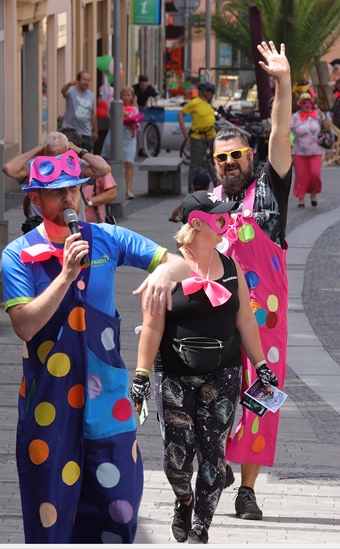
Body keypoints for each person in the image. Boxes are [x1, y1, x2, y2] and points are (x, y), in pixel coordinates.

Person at [1, 151, 191, 543]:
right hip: (49, 402)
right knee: (50, 512)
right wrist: (66, 275)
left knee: (119, 505)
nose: (68, 199)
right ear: (36, 200)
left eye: (73, 189)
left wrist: (163, 275)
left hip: (108, 400)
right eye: (56, 193)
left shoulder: (107, 237)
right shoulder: (18, 254)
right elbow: (24, 325)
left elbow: (178, 263)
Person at [131, 191, 279, 545]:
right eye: (219, 218)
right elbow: (151, 327)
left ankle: (201, 528)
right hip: (177, 377)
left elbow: (245, 319)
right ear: (197, 224)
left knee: (213, 453)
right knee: (176, 457)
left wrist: (261, 365)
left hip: (224, 373)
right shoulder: (165, 272)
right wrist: (140, 375)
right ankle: (184, 499)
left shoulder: (231, 267)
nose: (226, 221)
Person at [211, 40, 292, 521]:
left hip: (267, 319)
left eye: (236, 155)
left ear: (250, 155)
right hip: (219, 314)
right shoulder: (208, 202)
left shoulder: (271, 186)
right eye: (221, 159)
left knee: (260, 399)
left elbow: (280, 130)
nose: (229, 164)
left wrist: (282, 82)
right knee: (214, 390)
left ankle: (247, 489)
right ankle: (218, 459)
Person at [3, 131, 111, 230]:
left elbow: (104, 169)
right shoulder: (36, 164)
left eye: (61, 156)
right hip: (41, 229)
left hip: (72, 226)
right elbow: (9, 169)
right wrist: (35, 151)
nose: (57, 161)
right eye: (52, 157)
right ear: (44, 153)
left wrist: (78, 151)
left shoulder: (74, 163)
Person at [101, 86, 143, 200]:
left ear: (132, 97)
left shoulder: (134, 108)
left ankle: (128, 189)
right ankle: (109, 187)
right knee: (111, 162)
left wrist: (131, 119)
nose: (126, 97)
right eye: (124, 94)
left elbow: (138, 124)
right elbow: (110, 116)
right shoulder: (116, 106)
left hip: (129, 137)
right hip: (115, 136)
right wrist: (120, 113)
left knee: (129, 163)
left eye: (128, 95)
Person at [290, 92, 327, 208]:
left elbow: (328, 127)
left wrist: (324, 117)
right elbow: (287, 132)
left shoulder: (317, 114)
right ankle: (301, 198)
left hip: (316, 150)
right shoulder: (295, 117)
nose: (307, 105)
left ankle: (313, 195)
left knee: (315, 174)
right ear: (300, 104)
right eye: (304, 102)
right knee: (301, 175)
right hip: (300, 151)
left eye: (309, 102)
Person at [179, 81, 218, 188]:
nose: (212, 95)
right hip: (198, 138)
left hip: (211, 136)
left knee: (215, 164)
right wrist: (185, 133)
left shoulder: (209, 104)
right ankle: (191, 190)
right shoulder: (194, 103)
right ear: (205, 93)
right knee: (195, 166)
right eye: (211, 93)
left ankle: (218, 188)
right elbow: (180, 114)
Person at [60, 71, 97, 153]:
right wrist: (69, 84)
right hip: (70, 130)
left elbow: (92, 113)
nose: (86, 82)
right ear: (78, 80)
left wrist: (95, 130)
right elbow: (63, 91)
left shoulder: (91, 95)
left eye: (88, 80)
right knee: (68, 154)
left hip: (85, 132)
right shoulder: (71, 91)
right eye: (84, 79)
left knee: (85, 156)